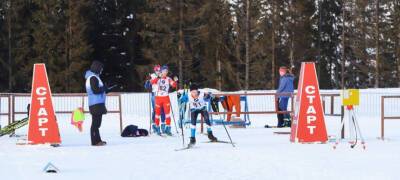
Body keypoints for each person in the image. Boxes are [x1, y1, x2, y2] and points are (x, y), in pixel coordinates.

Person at [85, 61, 109, 146]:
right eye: (101, 68)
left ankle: (98, 140)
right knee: (95, 123)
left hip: (97, 103)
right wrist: (104, 88)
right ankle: (95, 141)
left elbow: (97, 89)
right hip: (96, 104)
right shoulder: (93, 78)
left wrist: (105, 89)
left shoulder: (94, 77)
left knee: (97, 123)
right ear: (97, 68)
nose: (101, 70)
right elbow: (95, 90)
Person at [150, 65, 178, 135]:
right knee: (157, 114)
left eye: (166, 71)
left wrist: (175, 81)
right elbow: (152, 82)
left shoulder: (168, 79)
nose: (165, 72)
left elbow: (173, 85)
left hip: (166, 98)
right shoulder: (158, 78)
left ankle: (168, 128)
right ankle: (157, 128)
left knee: (167, 114)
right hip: (158, 98)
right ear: (161, 71)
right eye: (164, 71)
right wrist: (158, 77)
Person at [144, 65, 166, 134]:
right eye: (157, 70)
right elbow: (147, 86)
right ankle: (154, 125)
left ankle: (163, 125)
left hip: (162, 95)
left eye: (159, 70)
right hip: (155, 95)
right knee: (156, 111)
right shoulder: (152, 76)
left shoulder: (163, 76)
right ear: (155, 71)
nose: (158, 71)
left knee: (163, 110)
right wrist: (147, 83)